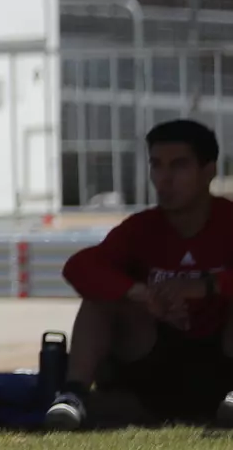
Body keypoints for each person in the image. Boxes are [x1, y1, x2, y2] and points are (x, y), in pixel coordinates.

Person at [47, 119, 233, 430]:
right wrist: (142, 294)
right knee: (100, 299)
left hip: (222, 362)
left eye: (179, 166)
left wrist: (205, 286)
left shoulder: (228, 220)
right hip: (155, 360)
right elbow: (79, 267)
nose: (165, 178)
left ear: (209, 171)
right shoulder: (141, 228)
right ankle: (72, 395)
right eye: (156, 165)